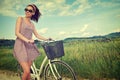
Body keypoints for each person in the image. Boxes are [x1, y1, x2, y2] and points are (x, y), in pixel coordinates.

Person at [13, 4, 49, 80]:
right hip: (20, 45)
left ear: (33, 13)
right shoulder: (20, 19)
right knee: (26, 71)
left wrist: (47, 39)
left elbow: (37, 35)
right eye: (26, 9)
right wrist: (27, 40)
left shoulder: (32, 24)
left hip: (29, 47)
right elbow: (17, 33)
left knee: (28, 72)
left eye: (30, 10)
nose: (27, 11)